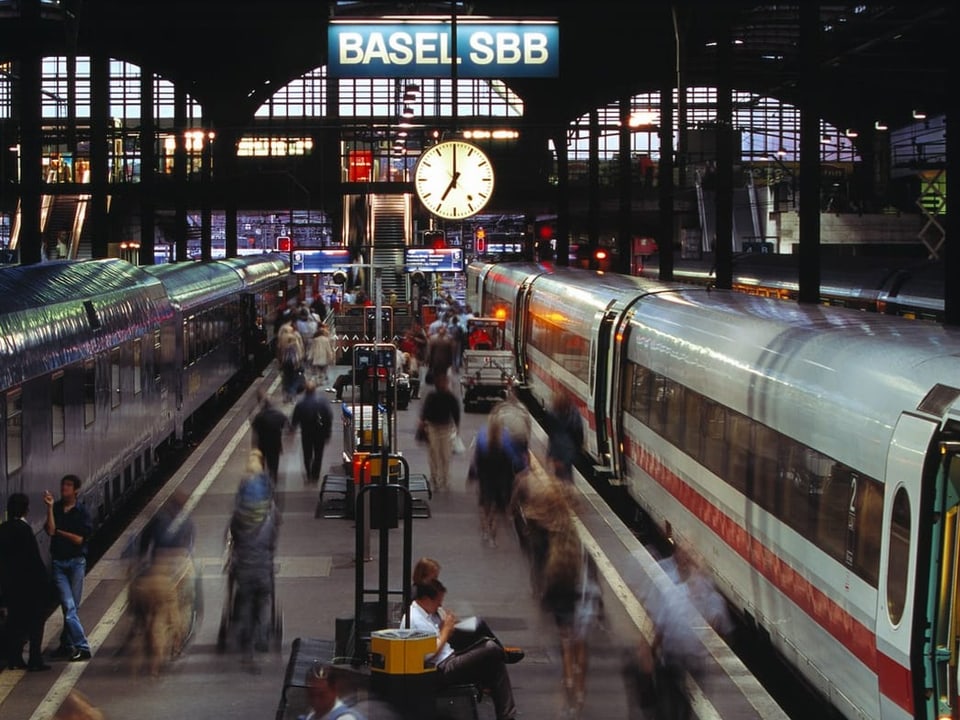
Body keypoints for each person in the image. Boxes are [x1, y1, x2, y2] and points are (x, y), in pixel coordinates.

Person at [403, 579, 517, 720]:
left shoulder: (428, 612)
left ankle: (507, 717)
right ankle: (502, 654)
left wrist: (447, 625)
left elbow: (440, 635)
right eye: (438, 601)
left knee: (495, 662)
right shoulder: (415, 619)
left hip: (449, 656)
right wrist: (445, 630)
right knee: (490, 648)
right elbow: (428, 655)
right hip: (440, 669)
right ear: (426, 599)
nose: (440, 604)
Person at [128, 490, 196, 676]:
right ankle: (174, 647)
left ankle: (139, 633)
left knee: (148, 615)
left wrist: (139, 568)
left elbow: (143, 546)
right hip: (176, 573)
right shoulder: (188, 522)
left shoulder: (157, 519)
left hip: (153, 571)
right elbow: (190, 549)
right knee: (182, 610)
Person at [410, 558, 523, 664]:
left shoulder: (432, 591)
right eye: (434, 578)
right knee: (476, 628)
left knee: (476, 624)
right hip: (441, 637)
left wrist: (448, 618)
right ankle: (498, 652)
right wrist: (445, 627)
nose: (436, 581)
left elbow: (438, 612)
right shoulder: (422, 595)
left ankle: (499, 650)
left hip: (443, 630)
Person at [228, 450, 281, 671]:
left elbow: (233, 536)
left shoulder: (238, 516)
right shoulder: (270, 517)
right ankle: (262, 637)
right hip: (263, 568)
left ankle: (247, 648)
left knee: (246, 605)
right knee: (263, 604)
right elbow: (273, 540)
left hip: (244, 568)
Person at [44, 474, 94, 662]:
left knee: (71, 608)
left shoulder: (82, 512)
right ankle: (81, 646)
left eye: (68, 485)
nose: (64, 488)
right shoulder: (55, 508)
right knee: (69, 606)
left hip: (76, 563)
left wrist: (59, 532)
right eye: (63, 485)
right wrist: (49, 508)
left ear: (76, 490)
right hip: (59, 564)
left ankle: (67, 644)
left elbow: (79, 539)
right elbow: (49, 530)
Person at [0, 493, 51, 671]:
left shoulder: (3, 529)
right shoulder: (24, 530)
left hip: (11, 587)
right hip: (30, 587)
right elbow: (33, 560)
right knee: (36, 622)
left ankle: (15, 659)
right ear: (27, 510)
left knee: (15, 622)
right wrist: (44, 583)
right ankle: (35, 659)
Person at [467, 410, 528, 548]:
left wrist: (472, 474)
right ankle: (493, 537)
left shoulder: (482, 436)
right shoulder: (505, 438)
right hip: (501, 479)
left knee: (484, 505)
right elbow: (514, 459)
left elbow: (476, 458)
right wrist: (523, 468)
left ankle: (484, 530)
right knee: (496, 508)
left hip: (485, 477)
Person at [417, 372, 460, 491]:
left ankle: (444, 478)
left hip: (444, 427)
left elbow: (455, 413)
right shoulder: (435, 396)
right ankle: (436, 477)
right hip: (434, 427)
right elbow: (425, 411)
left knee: (444, 454)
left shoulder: (448, 397)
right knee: (436, 453)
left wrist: (456, 426)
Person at [290, 379, 334, 483]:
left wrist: (293, 428)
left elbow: (295, 419)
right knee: (318, 454)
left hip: (306, 433)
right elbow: (328, 417)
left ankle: (309, 473)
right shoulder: (322, 402)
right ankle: (315, 475)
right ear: (315, 390)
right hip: (320, 433)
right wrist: (328, 433)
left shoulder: (301, 404)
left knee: (307, 454)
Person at [299, 661, 367, 720]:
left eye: (322, 695)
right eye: (311, 695)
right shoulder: (311, 716)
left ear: (334, 690)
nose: (316, 701)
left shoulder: (346, 718)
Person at [251, 389, 289, 484]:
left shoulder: (259, 416)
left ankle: (263, 481)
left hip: (262, 444)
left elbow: (255, 430)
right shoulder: (278, 415)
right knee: (274, 464)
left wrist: (254, 446)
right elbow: (287, 425)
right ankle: (273, 479)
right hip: (275, 444)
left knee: (262, 463)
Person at [545, 393, 584, 482]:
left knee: (559, 475)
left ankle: (561, 491)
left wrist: (549, 454)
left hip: (557, 450)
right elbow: (578, 432)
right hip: (569, 449)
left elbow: (551, 434)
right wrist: (578, 448)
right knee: (567, 473)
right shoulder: (574, 414)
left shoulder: (552, 414)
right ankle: (568, 491)